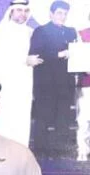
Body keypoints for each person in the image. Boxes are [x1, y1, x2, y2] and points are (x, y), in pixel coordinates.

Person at [0, 0, 43, 147]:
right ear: (11, 11)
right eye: (19, 10)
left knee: (22, 116)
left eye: (26, 11)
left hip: (24, 83)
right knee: (4, 116)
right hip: (5, 82)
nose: (23, 14)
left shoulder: (30, 32)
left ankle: (20, 150)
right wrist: (24, 60)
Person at [29, 1, 78, 157]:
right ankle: (40, 153)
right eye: (59, 13)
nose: (62, 17)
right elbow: (35, 55)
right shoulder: (40, 31)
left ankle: (60, 152)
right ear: (51, 14)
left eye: (65, 14)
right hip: (46, 83)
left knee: (63, 118)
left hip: (66, 83)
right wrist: (59, 54)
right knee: (43, 118)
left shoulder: (71, 32)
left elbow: (77, 55)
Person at [76, 15, 90, 162]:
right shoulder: (82, 34)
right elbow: (78, 60)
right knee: (85, 119)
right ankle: (83, 151)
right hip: (87, 83)